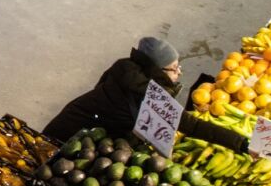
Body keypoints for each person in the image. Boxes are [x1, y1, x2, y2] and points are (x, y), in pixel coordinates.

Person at [44, 37, 182, 144]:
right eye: (174, 68)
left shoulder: (129, 72)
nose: (179, 72)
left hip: (82, 134)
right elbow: (181, 121)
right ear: (157, 70)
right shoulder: (139, 93)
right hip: (65, 137)